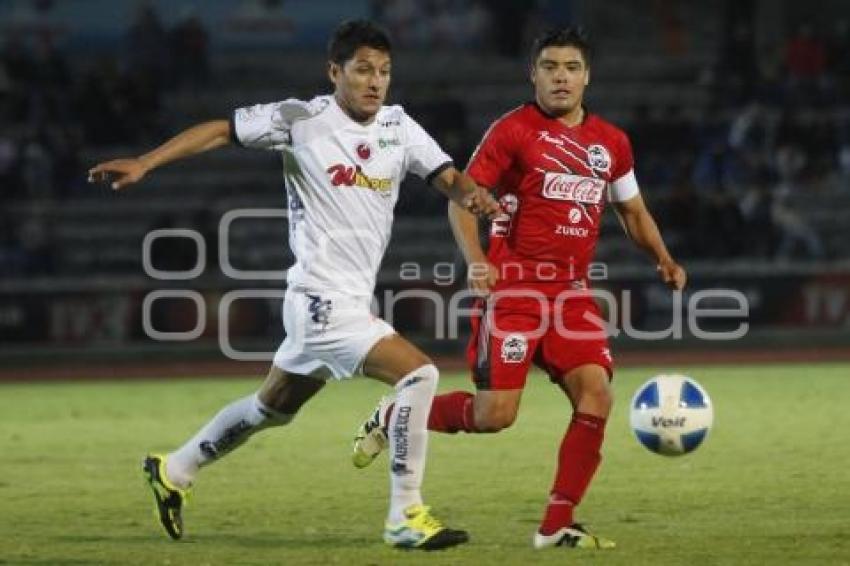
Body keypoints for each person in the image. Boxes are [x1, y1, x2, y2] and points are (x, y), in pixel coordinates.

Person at [88, 20, 500, 550]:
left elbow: (448, 178)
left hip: (337, 302)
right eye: (363, 70)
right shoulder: (301, 119)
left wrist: (473, 197)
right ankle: (406, 514)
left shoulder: (400, 126)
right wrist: (146, 162)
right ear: (335, 72)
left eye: (384, 72)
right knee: (419, 375)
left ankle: (175, 468)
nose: (375, 82)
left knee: (271, 409)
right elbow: (220, 129)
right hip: (321, 301)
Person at [352, 27, 687, 550]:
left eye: (571, 67)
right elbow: (461, 197)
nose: (560, 76)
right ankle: (397, 413)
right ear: (532, 74)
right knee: (495, 416)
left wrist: (663, 258)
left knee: (596, 394)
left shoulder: (612, 143)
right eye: (550, 67)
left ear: (586, 76)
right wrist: (477, 261)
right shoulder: (513, 131)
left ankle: (556, 525)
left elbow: (633, 212)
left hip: (572, 293)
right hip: (515, 292)